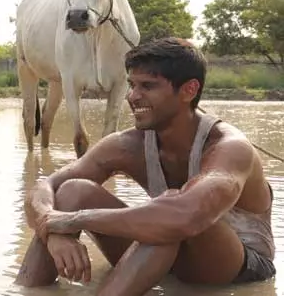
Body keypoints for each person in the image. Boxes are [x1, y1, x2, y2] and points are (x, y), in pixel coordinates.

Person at [15, 37, 276, 295]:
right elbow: (44, 187)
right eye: (132, 85)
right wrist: (53, 231)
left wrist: (71, 220)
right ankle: (26, 291)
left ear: (189, 90)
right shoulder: (127, 144)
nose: (132, 96)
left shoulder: (230, 147)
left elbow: (182, 216)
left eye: (148, 86)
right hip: (167, 246)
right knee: (74, 191)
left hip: (237, 266)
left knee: (166, 214)